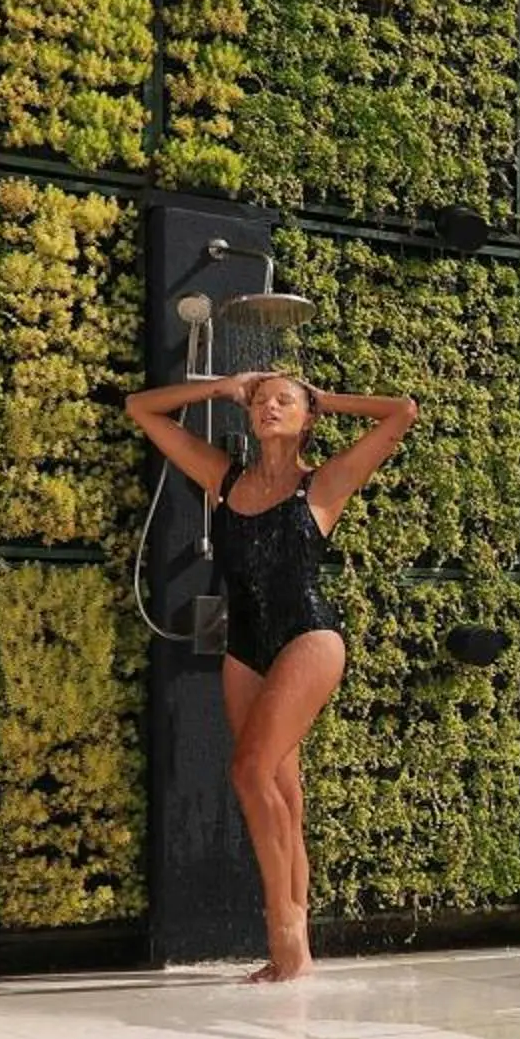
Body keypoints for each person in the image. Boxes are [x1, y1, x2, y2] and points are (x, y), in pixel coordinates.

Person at [123, 370, 419, 981]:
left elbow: (401, 412)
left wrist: (321, 398)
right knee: (282, 793)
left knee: (248, 771)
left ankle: (282, 930)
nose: (268, 407)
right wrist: (219, 387)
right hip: (246, 649)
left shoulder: (323, 484)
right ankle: (299, 949)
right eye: (260, 401)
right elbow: (141, 409)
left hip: (309, 638)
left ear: (305, 416)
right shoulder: (223, 480)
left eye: (283, 401)